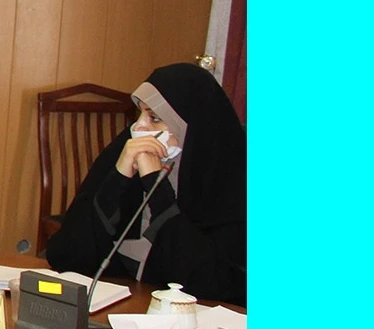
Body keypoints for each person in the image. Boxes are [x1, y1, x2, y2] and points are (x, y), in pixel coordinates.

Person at [44, 63, 246, 305]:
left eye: (155, 118)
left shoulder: (232, 178)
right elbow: (66, 255)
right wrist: (118, 177)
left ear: (190, 126)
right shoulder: (124, 150)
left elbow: (212, 285)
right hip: (116, 294)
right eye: (139, 114)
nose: (139, 127)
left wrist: (155, 185)